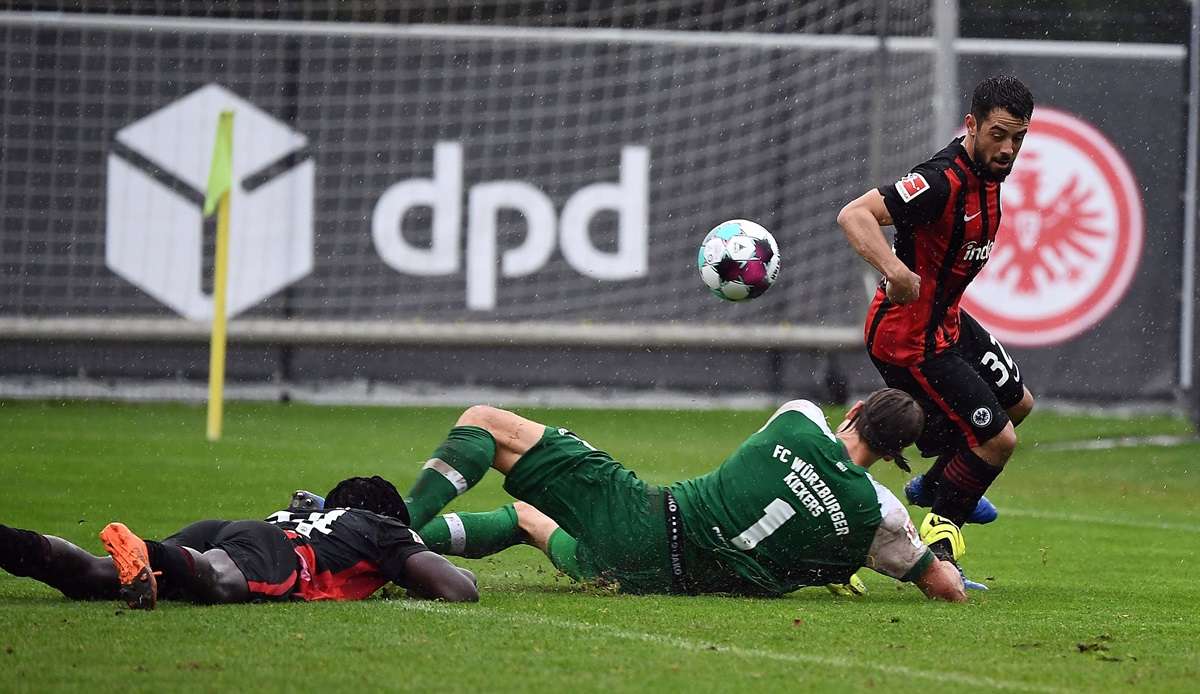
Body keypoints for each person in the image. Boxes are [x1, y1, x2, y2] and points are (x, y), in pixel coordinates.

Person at [397, 389, 968, 602]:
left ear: (856, 412)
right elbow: (945, 589)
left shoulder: (798, 418)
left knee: (485, 423)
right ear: (898, 455)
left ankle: (386, 528)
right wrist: (939, 543)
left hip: (646, 527)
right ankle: (403, 544)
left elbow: (797, 471)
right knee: (527, 517)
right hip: (657, 580)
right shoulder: (882, 515)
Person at [836, 75, 1037, 585]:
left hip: (946, 320)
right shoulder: (941, 180)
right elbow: (854, 215)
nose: (1008, 148)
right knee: (996, 441)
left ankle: (933, 485)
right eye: (998, 134)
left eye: (1018, 137)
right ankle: (939, 541)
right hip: (908, 337)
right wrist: (897, 272)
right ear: (971, 125)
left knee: (1018, 403)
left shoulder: (991, 174)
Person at [0, 476, 478, 609]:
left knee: (94, 576)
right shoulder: (382, 529)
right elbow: (460, 589)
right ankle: (147, 552)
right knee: (219, 582)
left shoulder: (312, 514)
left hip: (229, 529)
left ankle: (12, 544)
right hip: (272, 551)